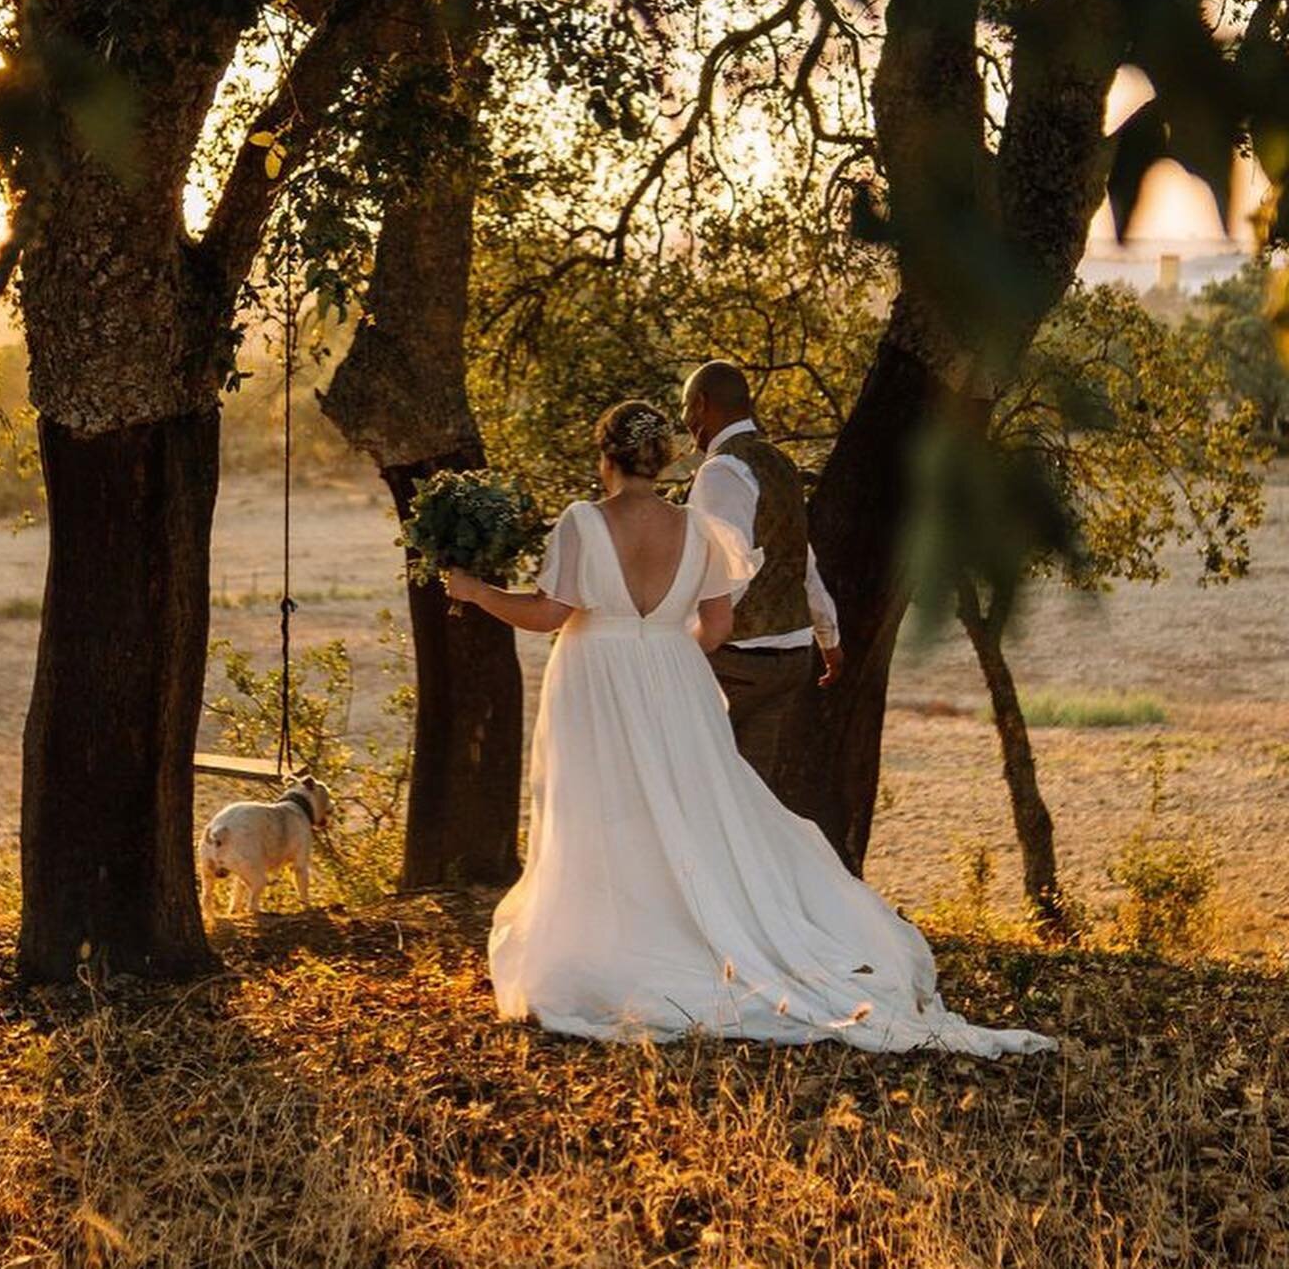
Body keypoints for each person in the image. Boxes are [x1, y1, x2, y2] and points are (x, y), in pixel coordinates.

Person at [445, 400, 1054, 1055]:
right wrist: (667, 657)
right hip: (676, 676)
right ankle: (693, 928)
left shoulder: (581, 523)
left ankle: (614, 938)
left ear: (606, 457)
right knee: (689, 804)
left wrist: (475, 591)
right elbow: (719, 626)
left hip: (597, 679)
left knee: (599, 805)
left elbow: (548, 611)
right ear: (665, 458)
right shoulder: (696, 530)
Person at [681, 360, 840, 803]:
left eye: (686, 411)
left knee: (694, 787)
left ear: (702, 405)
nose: (687, 425)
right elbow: (799, 553)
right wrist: (829, 635)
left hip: (738, 662)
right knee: (750, 799)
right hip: (790, 656)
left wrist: (685, 640)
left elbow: (728, 569)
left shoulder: (721, 471)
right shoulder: (779, 463)